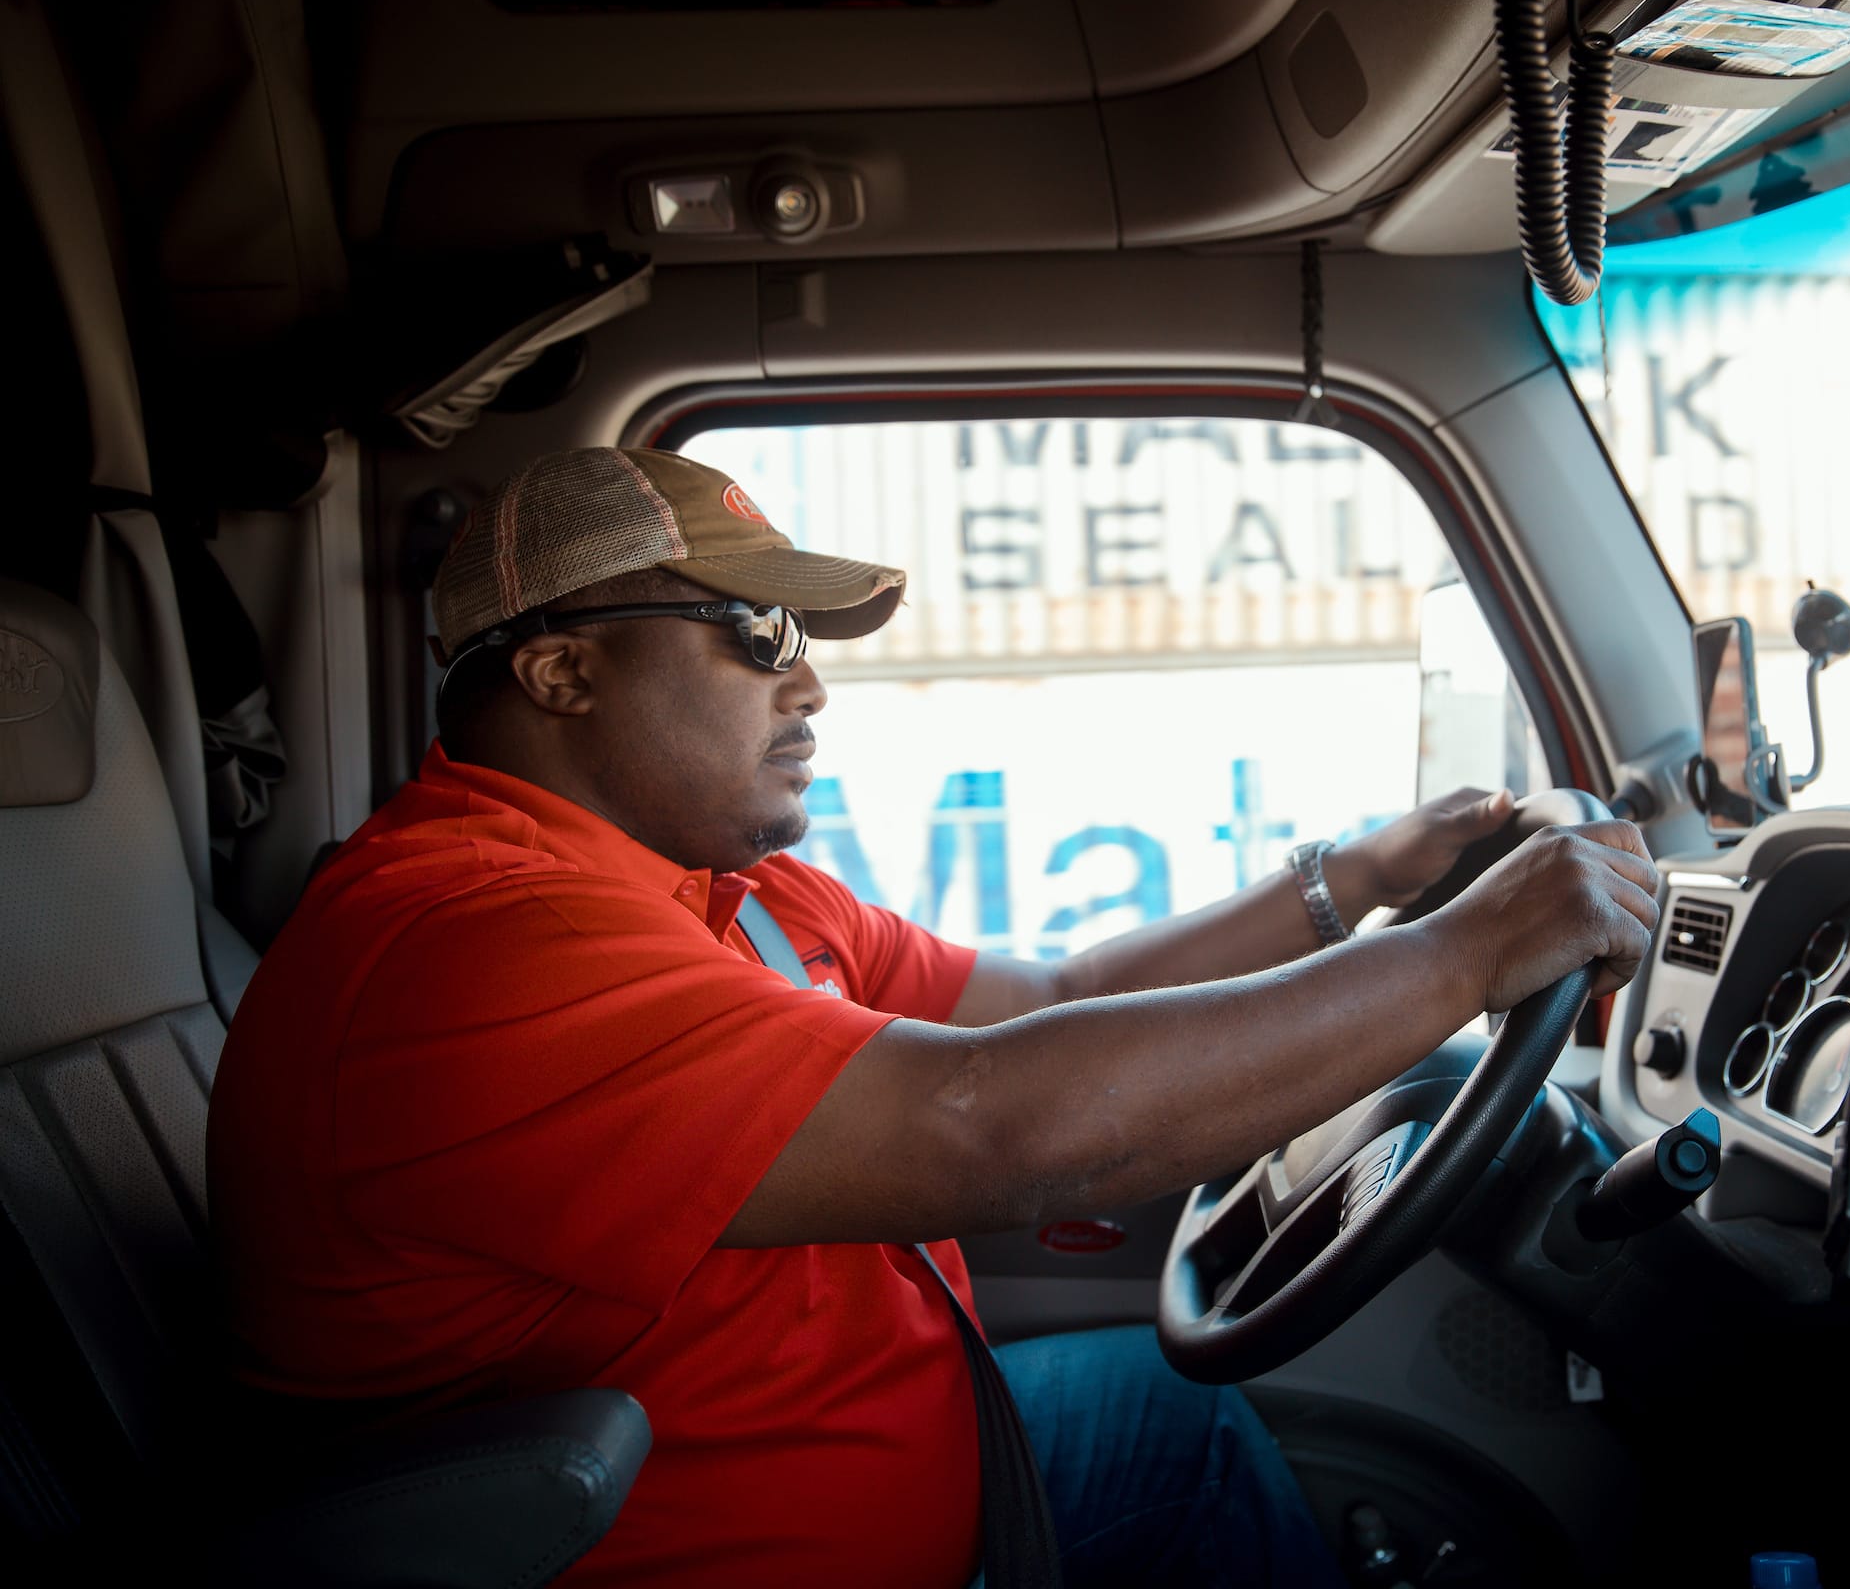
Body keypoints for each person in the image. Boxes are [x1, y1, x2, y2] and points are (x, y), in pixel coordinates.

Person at [208, 447, 1662, 1588]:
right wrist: (1470, 956)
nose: (810, 681)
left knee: (1183, 1419)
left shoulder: (732, 894)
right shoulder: (472, 942)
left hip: (913, 1469)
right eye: (753, 629)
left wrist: (1354, 880)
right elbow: (998, 1126)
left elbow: (1059, 1004)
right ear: (561, 670)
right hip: (695, 1560)